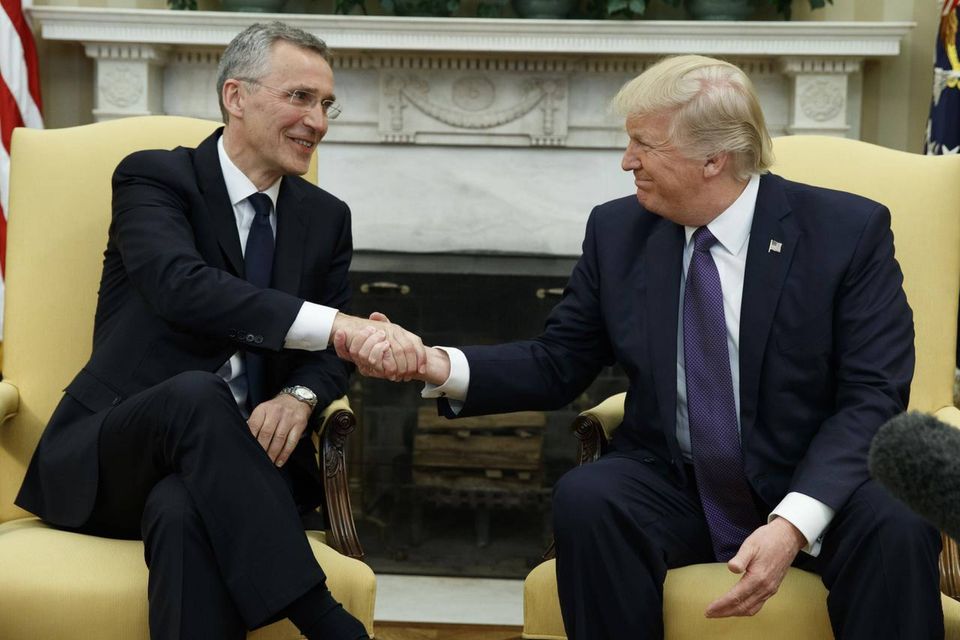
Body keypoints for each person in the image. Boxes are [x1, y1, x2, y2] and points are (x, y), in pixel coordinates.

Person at [338, 55, 944, 639]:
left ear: (714, 159)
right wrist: (434, 363)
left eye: (644, 145)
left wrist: (792, 523)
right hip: (678, 483)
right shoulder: (619, 231)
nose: (627, 161)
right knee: (590, 497)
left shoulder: (845, 233)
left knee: (897, 518)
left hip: (815, 478)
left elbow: (873, 395)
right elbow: (558, 361)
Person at [15, 21, 424, 640]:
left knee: (181, 509)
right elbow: (179, 286)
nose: (318, 121)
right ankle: (324, 620)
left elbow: (328, 359)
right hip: (117, 455)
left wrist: (299, 396)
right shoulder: (155, 178)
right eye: (300, 97)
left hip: (245, 466)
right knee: (196, 393)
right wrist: (338, 326)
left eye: (326, 104)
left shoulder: (325, 218)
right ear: (236, 96)